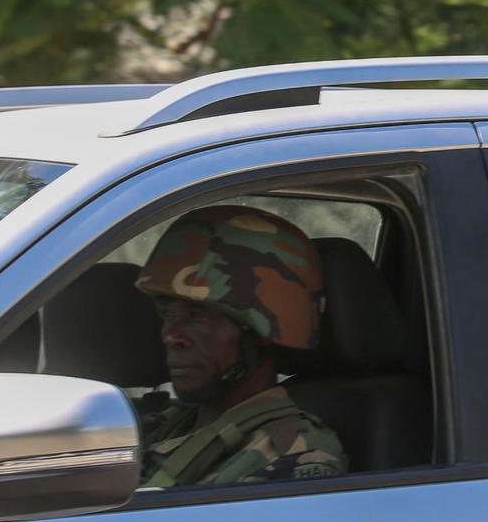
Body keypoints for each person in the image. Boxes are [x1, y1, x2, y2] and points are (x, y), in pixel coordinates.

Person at [132, 205, 347, 486]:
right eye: (169, 314)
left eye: (198, 316)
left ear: (262, 332)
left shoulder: (294, 452)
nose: (171, 336)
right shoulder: (167, 425)